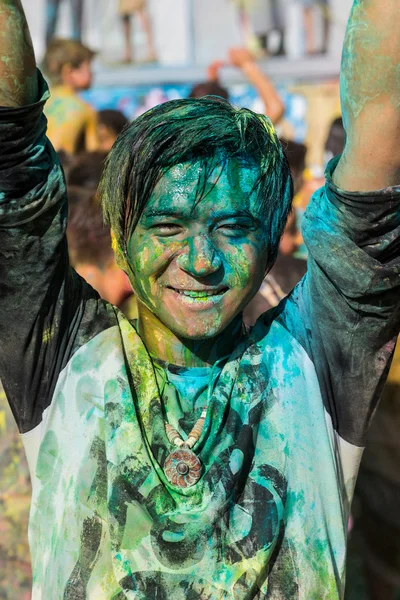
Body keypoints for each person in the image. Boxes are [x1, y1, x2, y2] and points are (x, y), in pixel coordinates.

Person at [0, 2, 399, 599]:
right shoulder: (69, 366)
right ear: (120, 238)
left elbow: (382, 122)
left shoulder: (313, 368)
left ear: (271, 243)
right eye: (167, 227)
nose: (202, 259)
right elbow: (12, 164)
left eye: (234, 228)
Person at [190, 47, 285, 125]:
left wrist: (212, 85)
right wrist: (247, 65)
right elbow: (275, 109)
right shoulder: (230, 138)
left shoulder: (186, 138)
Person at [42, 38, 98, 154]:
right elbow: (95, 159)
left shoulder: (38, 103)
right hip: (63, 169)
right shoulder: (84, 109)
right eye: (88, 67)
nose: (93, 72)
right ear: (69, 71)